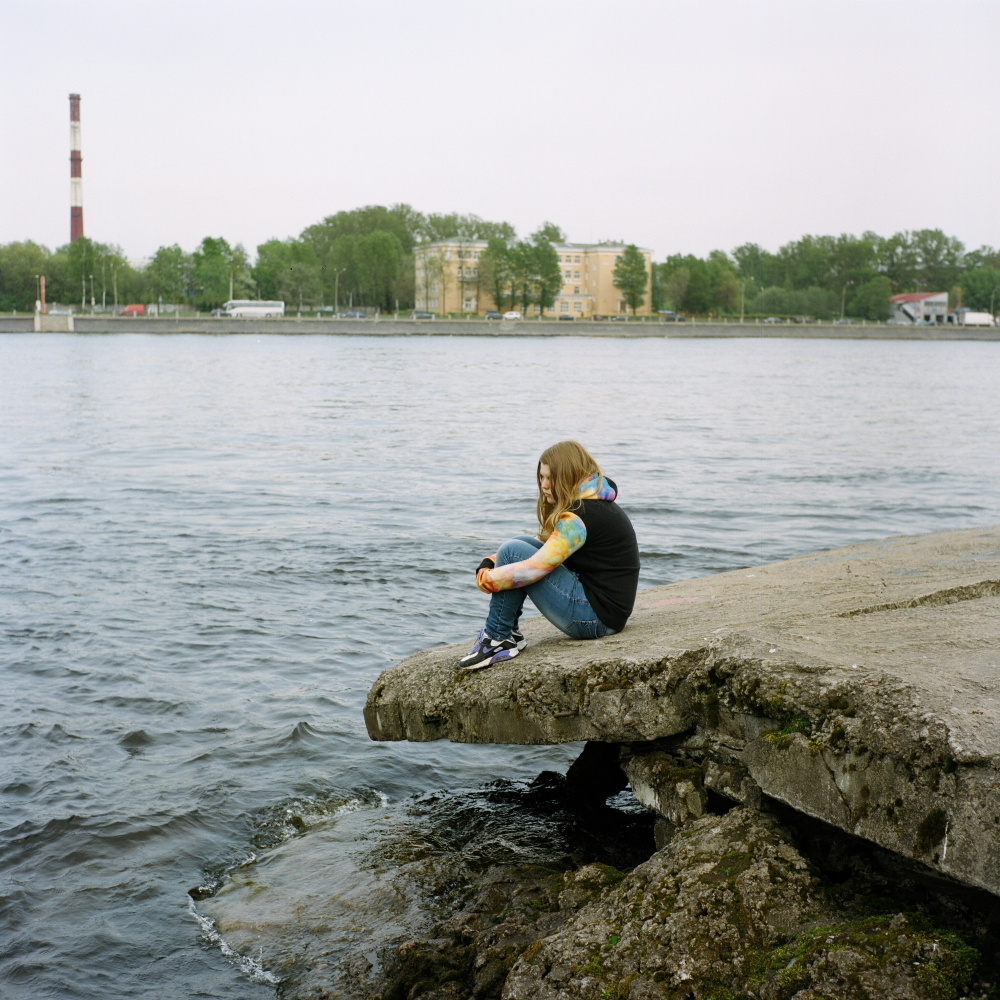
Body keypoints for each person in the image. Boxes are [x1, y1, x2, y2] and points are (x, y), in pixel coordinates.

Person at [460, 440, 640, 671]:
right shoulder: (592, 505)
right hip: (606, 614)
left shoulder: (579, 517)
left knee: (514, 550)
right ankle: (507, 635)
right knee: (518, 544)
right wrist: (491, 561)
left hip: (595, 620)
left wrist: (485, 579)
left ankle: (497, 637)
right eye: (541, 477)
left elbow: (535, 567)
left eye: (550, 478)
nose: (544, 485)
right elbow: (546, 548)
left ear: (568, 477)